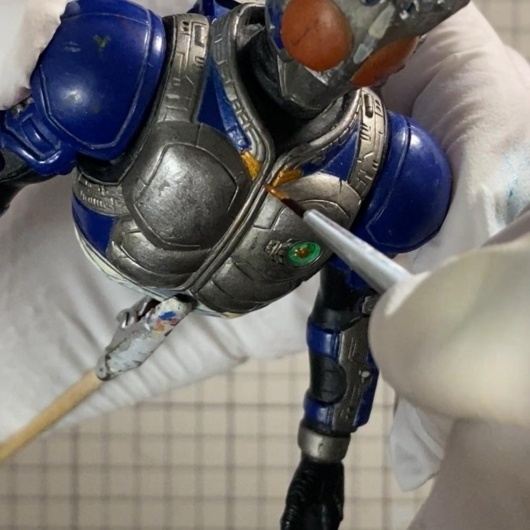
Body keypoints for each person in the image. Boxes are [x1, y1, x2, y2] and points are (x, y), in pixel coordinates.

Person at [0, 1, 529, 528]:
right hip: (97, 260)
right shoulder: (121, 61)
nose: (366, 33)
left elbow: (349, 309)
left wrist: (321, 458)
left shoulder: (391, 169)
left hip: (197, 308)